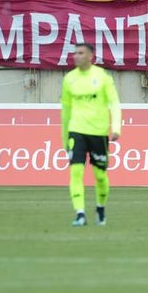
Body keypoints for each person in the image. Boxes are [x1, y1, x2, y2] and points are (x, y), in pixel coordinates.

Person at [61, 43, 122, 227]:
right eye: (75, 53)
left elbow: (114, 103)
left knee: (100, 176)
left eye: (81, 53)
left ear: (90, 56)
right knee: (76, 172)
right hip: (76, 131)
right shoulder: (69, 79)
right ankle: (80, 213)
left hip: (98, 132)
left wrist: (116, 128)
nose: (76, 56)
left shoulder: (102, 77)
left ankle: (100, 207)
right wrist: (65, 138)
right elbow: (66, 110)